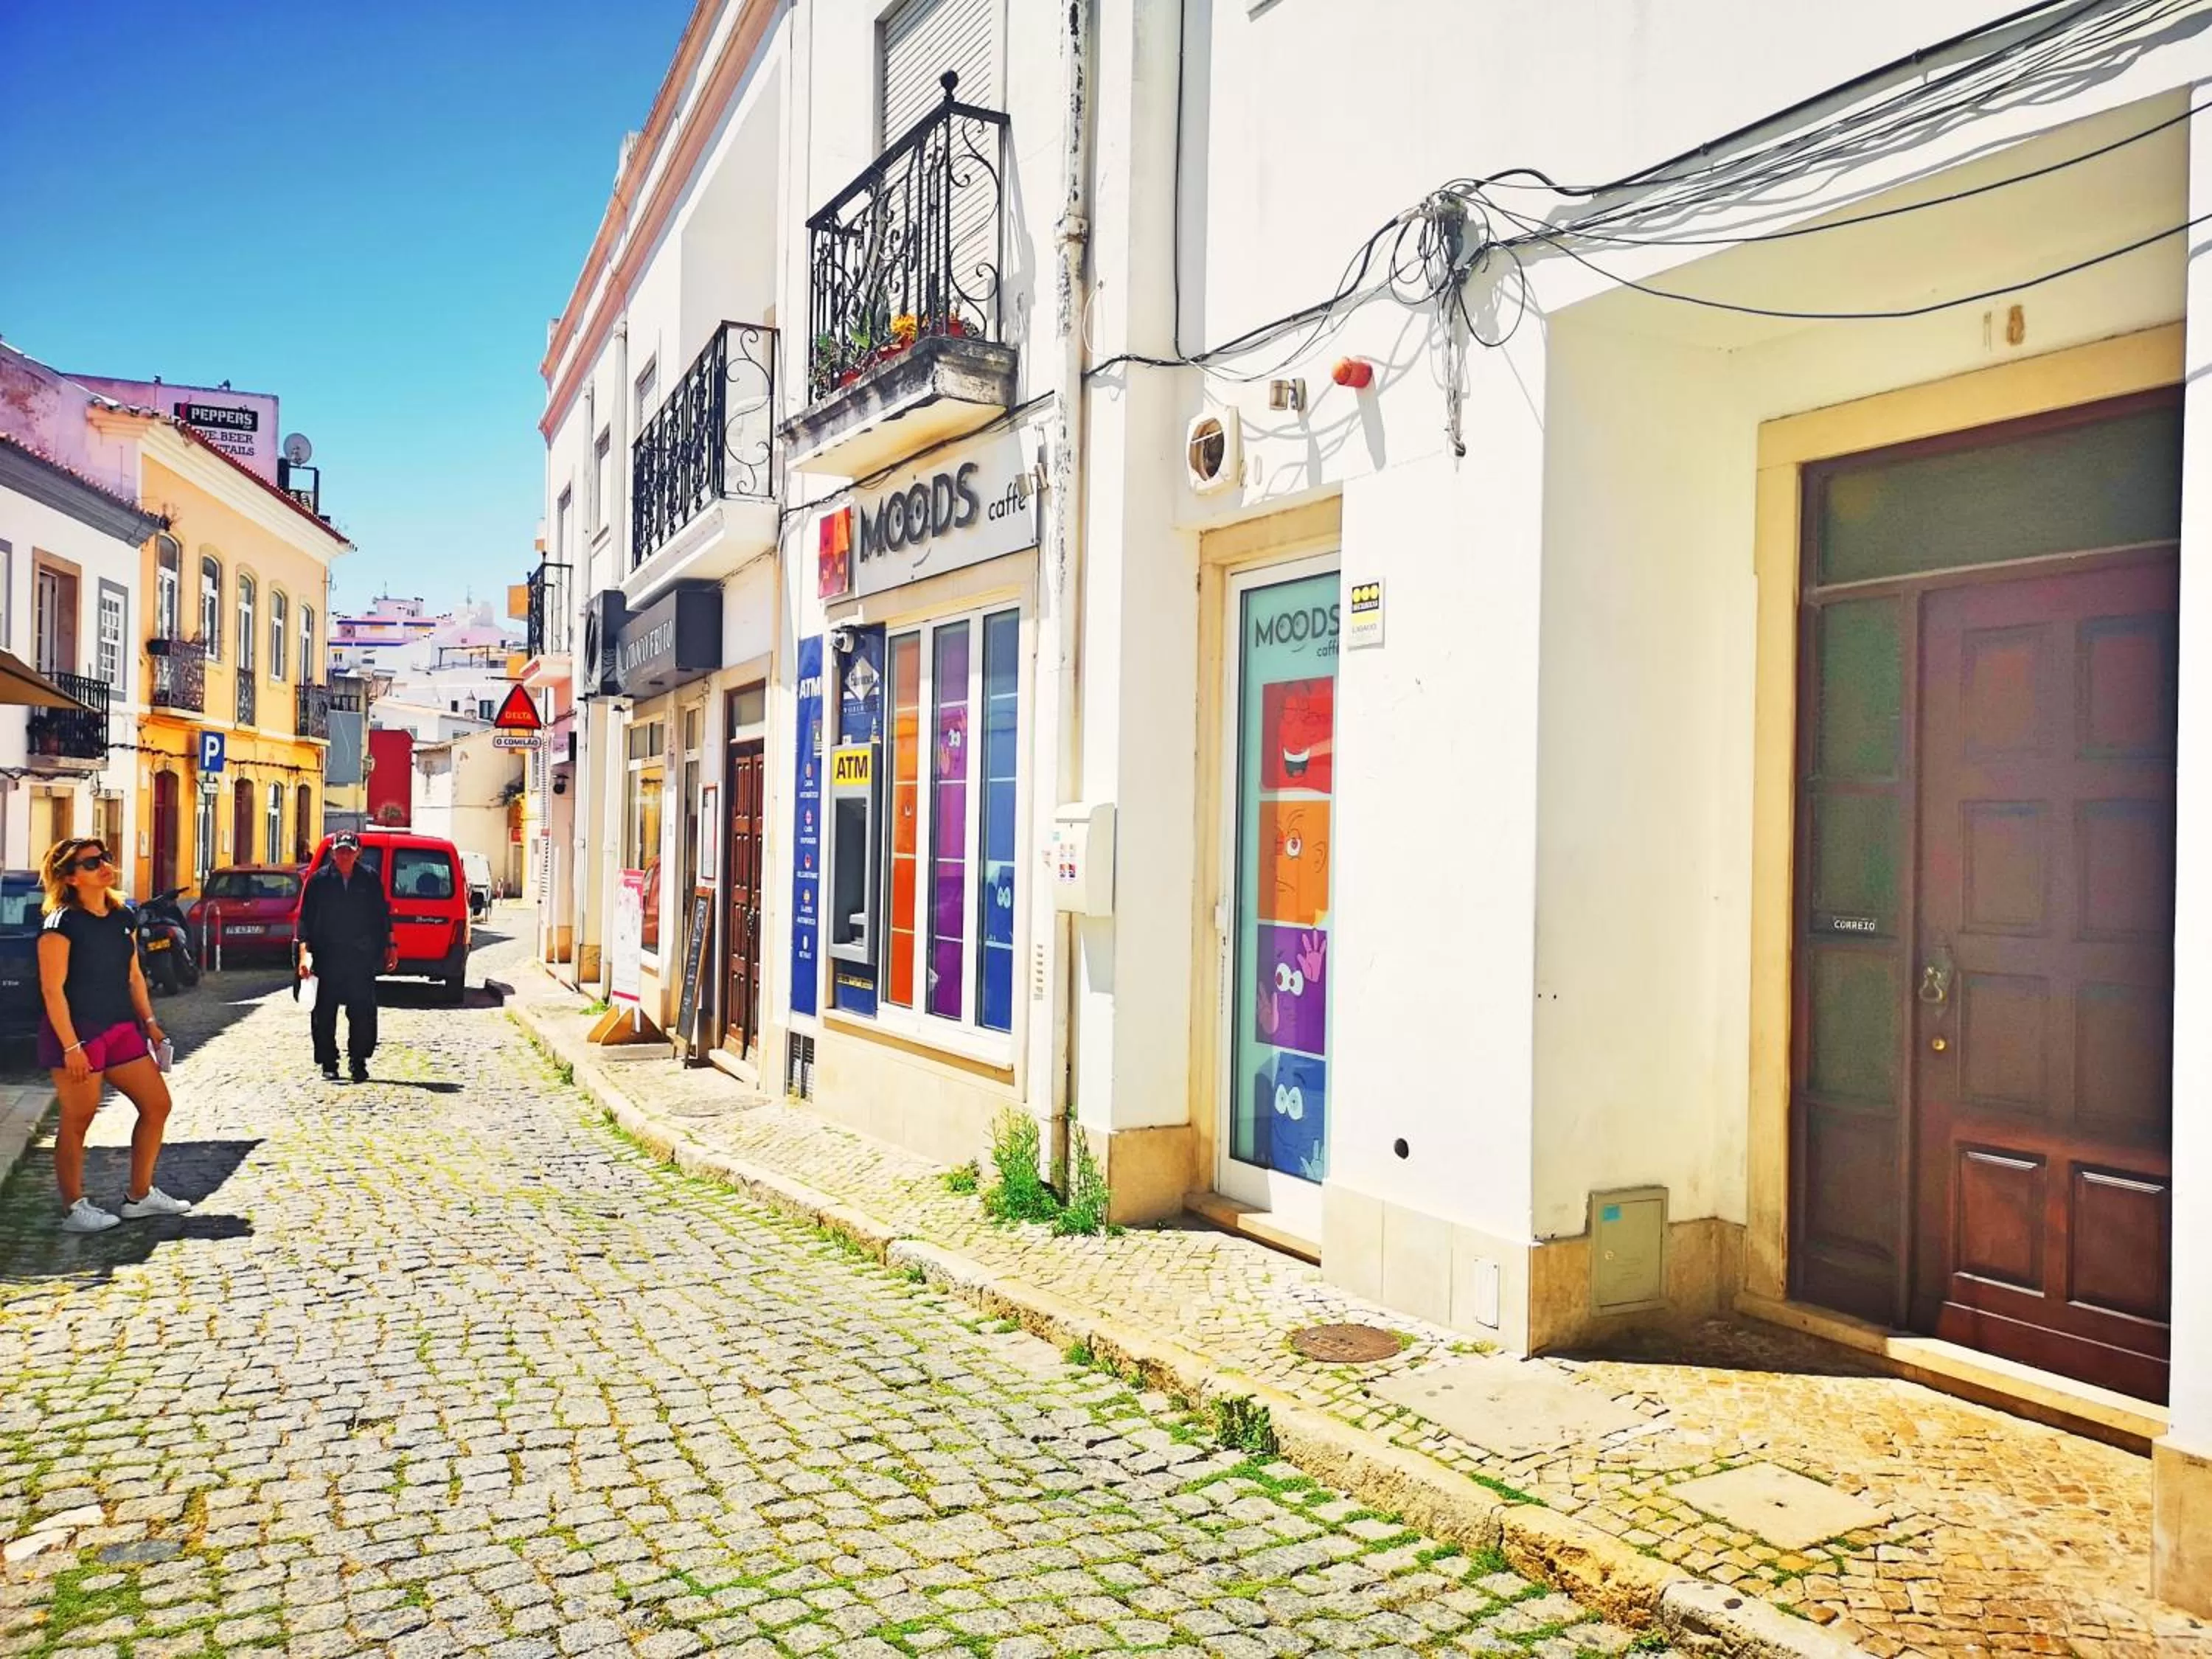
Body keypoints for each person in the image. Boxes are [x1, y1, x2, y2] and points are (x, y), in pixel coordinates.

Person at [35, 837, 191, 1234]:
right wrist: (71, 1047)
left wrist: (151, 1023)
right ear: (70, 877)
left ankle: (140, 1196)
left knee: (157, 1104)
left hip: (122, 1028)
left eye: (104, 858)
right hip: (79, 1035)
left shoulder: (123, 915)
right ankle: (75, 1208)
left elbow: (134, 975)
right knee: (78, 1119)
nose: (104, 865)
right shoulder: (60, 925)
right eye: (91, 863)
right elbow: (52, 991)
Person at [296, 833, 396, 1083]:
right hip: (326, 955)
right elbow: (305, 919)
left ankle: (358, 1060)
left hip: (360, 956)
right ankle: (329, 1062)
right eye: (340, 851)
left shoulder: (369, 879)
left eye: (349, 851)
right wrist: (303, 954)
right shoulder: (319, 881)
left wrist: (391, 945)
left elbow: (382, 914)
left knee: (362, 1011)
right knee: (324, 1013)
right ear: (332, 853)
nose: (344, 856)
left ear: (358, 853)